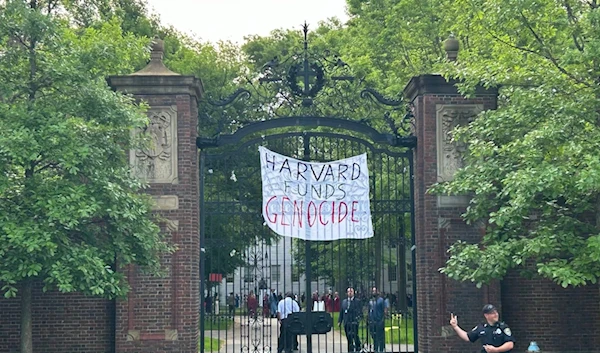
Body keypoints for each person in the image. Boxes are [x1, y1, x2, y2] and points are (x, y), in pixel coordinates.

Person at [450, 304, 515, 353]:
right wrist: (455, 327)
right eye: (493, 313)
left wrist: (496, 350)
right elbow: (467, 337)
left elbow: (510, 344)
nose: (496, 315)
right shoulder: (481, 328)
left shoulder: (503, 327)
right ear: (486, 315)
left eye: (496, 312)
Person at [338, 287, 362, 352]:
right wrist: (340, 321)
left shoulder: (357, 301)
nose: (350, 293)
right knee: (348, 337)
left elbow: (360, 311)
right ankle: (350, 350)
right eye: (348, 291)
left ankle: (358, 347)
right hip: (346, 322)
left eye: (351, 291)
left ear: (353, 293)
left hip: (354, 322)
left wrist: (358, 318)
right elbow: (341, 312)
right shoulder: (344, 302)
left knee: (354, 335)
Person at [368, 286, 386, 353]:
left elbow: (384, 310)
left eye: (375, 291)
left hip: (379, 321)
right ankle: (375, 348)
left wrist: (382, 319)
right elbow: (369, 310)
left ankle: (381, 349)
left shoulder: (381, 300)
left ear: (378, 292)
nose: (373, 292)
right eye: (372, 291)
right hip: (372, 321)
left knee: (380, 336)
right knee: (373, 335)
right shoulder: (371, 301)